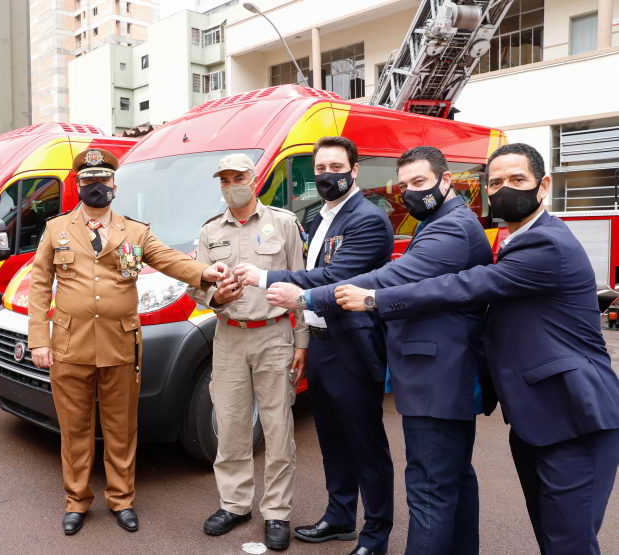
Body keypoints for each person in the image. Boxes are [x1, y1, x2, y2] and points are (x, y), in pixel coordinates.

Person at [335, 143, 619, 555]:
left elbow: (466, 286)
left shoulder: (545, 243)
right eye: (496, 182)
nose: (505, 189)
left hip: (574, 417)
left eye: (517, 180)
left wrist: (376, 299)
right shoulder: (516, 238)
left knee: (569, 544)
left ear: (544, 186)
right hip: (537, 418)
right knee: (552, 537)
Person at [272, 146, 495, 555]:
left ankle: (375, 535)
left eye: (420, 183)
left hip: (437, 374)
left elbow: (390, 277)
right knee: (452, 481)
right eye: (405, 185)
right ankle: (341, 518)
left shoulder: (448, 228)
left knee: (428, 489)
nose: (410, 193)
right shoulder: (436, 220)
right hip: (430, 368)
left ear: (446, 180)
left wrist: (305, 298)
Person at [27, 148, 228, 536]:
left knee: (121, 427)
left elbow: (170, 259)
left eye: (103, 181)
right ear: (78, 186)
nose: (96, 187)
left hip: (120, 345)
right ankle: (76, 501)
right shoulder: (57, 230)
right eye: (88, 181)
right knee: (75, 429)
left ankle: (121, 499)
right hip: (69, 346)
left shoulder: (134, 231)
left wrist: (206, 272)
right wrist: (40, 339)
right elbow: (39, 287)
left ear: (114, 185)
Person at [234, 136, 395, 555]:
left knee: (365, 442)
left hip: (354, 347)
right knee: (332, 439)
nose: (328, 176)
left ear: (354, 169)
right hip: (322, 345)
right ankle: (340, 517)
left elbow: (335, 278)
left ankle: (375, 535)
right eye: (320, 170)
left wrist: (265, 277)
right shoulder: (319, 216)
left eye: (336, 168)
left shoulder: (368, 219)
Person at [186, 153, 309, 551]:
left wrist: (302, 342)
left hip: (274, 335)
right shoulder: (209, 232)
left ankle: (277, 512)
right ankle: (235, 505)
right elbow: (195, 286)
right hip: (229, 336)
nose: (231, 185)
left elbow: (300, 288)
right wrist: (215, 296)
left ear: (254, 179)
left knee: (277, 429)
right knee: (232, 424)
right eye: (224, 180)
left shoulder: (284, 223)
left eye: (238, 177)